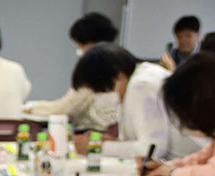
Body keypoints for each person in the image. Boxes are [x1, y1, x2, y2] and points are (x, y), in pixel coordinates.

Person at [71, 43, 200, 161]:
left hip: (193, 163)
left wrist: (98, 147)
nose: (98, 97)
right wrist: (112, 143)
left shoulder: (141, 85)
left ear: (117, 75)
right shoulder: (136, 79)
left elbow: (151, 150)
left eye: (99, 90)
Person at [28, 12, 120, 132]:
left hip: (93, 134)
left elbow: (68, 107)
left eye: (79, 44)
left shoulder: (94, 68)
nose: (79, 50)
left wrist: (33, 109)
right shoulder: (120, 62)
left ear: (90, 43)